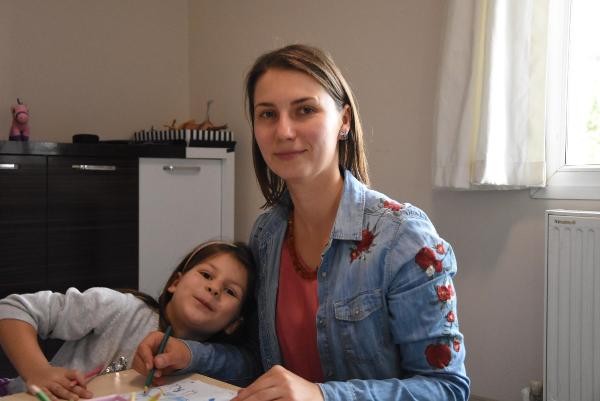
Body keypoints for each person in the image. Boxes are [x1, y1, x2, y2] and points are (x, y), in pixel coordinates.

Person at [133, 44, 470, 401]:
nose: (284, 131)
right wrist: (191, 355)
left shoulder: (405, 239)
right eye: (267, 114)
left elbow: (447, 388)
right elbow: (261, 363)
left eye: (305, 110)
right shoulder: (267, 233)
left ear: (344, 120)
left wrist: (322, 396)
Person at [0, 240, 256, 400]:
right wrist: (37, 371)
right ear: (175, 283)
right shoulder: (117, 308)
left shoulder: (214, 363)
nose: (214, 289)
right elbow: (12, 308)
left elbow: (249, 369)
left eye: (230, 291)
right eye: (206, 275)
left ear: (234, 323)